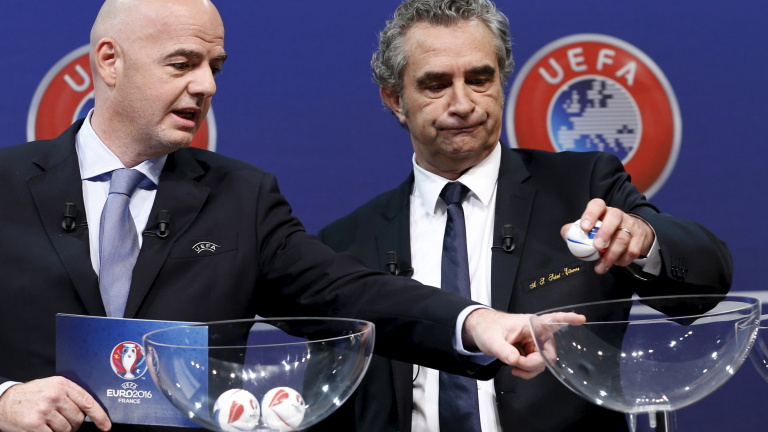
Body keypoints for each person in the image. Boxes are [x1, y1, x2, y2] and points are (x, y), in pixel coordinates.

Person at [0, 1, 582, 432]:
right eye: (181, 64)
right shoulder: (5, 186)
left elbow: (347, 291)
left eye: (214, 66)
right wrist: (3, 399)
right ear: (110, 61)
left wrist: (475, 321)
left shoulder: (240, 197)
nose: (205, 85)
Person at [313, 0, 733, 431]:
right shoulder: (344, 245)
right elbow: (329, 401)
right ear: (395, 99)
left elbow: (708, 283)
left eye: (479, 79)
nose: (463, 103)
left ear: (502, 81)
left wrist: (643, 239)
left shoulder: (584, 186)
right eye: (436, 85)